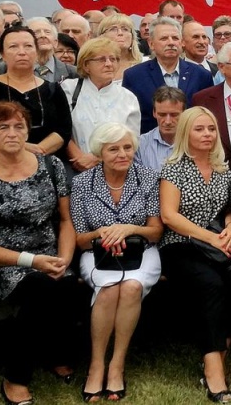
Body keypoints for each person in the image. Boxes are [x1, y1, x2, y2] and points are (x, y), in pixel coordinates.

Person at [0, 101, 78, 405]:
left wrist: (63, 259)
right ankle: (15, 377)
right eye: (3, 127)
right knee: (41, 287)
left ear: (27, 131)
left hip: (50, 257)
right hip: (2, 266)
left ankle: (55, 351)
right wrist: (32, 261)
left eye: (18, 127)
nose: (12, 133)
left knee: (62, 281)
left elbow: (66, 221)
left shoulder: (51, 167)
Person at [71, 123, 163, 402]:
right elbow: (79, 240)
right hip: (97, 253)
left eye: (127, 147)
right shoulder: (81, 183)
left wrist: (128, 229)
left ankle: (117, 365)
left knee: (132, 287)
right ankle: (96, 364)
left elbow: (156, 231)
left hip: (142, 250)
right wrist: (101, 234)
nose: (122, 154)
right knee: (110, 288)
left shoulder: (148, 177)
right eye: (114, 149)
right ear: (100, 152)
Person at [158, 107, 231, 403]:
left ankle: (220, 352)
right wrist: (212, 238)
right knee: (210, 284)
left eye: (211, 129)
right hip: (179, 244)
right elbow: (168, 216)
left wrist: (229, 227)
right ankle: (213, 369)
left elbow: (228, 207)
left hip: (216, 241)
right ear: (185, 133)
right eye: (199, 129)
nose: (207, 135)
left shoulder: (221, 166)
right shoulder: (174, 167)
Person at [0, 26, 73, 165]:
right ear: (2, 54)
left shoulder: (53, 89)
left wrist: (40, 150)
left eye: (28, 46)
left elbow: (64, 129)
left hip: (46, 164)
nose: (22, 52)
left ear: (36, 51)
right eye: (13, 47)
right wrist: (23, 148)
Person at [121, 17, 213, 134]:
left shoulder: (201, 75)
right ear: (151, 43)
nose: (171, 43)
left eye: (175, 38)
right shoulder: (134, 76)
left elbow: (207, 116)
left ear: (181, 42)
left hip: (190, 146)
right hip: (149, 147)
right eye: (164, 38)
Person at [63, 38, 141, 174]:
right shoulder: (69, 89)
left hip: (113, 171)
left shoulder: (128, 98)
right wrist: (79, 158)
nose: (109, 64)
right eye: (101, 59)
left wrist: (98, 158)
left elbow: (132, 141)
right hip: (76, 168)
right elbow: (62, 130)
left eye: (114, 59)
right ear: (86, 65)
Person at [135, 87, 185, 173]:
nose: (168, 121)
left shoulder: (195, 142)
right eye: (162, 115)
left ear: (184, 113)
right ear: (154, 113)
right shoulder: (140, 145)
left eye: (174, 115)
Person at [20, 18, 78, 84]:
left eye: (47, 32)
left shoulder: (74, 73)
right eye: (36, 32)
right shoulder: (11, 70)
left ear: (56, 42)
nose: (43, 35)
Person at [96, 14, 143, 82]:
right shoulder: (94, 67)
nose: (120, 33)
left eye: (125, 29)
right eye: (113, 29)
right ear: (101, 36)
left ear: (132, 37)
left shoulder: (145, 64)